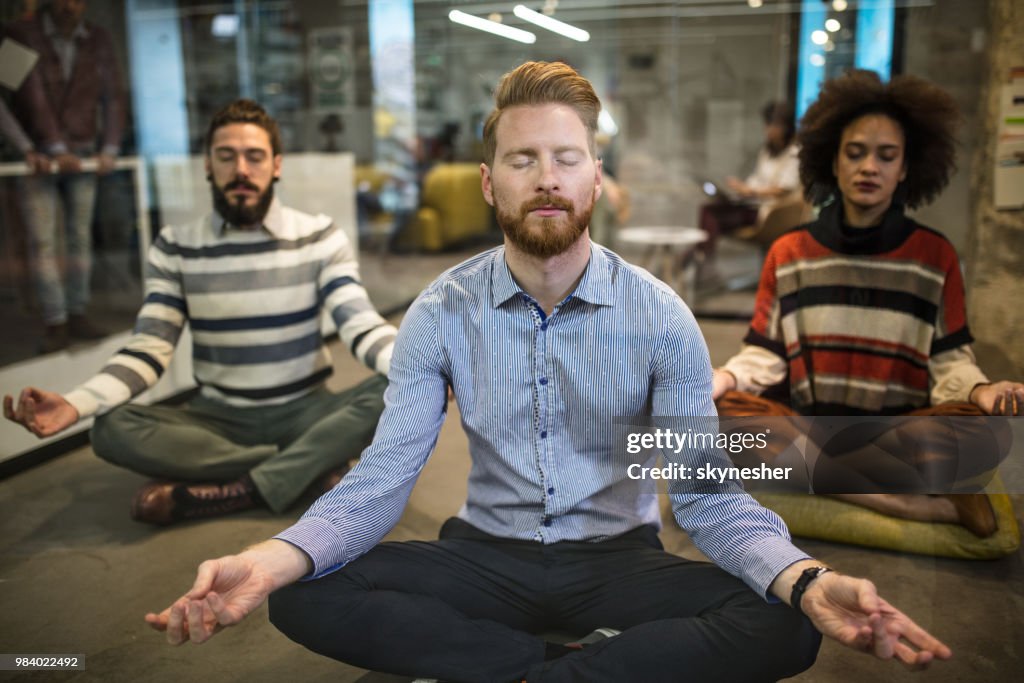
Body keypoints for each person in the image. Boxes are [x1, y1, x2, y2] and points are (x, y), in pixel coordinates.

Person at [144, 62, 951, 682]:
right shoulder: (440, 309)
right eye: (523, 159)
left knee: (788, 622)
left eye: (567, 158)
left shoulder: (660, 314)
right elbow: (381, 479)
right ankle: (579, 667)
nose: (547, 178)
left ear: (597, 177)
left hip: (619, 558)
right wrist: (274, 555)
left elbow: (703, 494)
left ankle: (513, 667)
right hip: (482, 554)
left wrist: (805, 577)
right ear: (492, 183)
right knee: (302, 590)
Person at [4, 99, 396, 526]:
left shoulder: (319, 236)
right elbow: (149, 350)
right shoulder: (176, 247)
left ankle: (240, 488)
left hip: (307, 410)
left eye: (255, 157)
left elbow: (359, 323)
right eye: (226, 157)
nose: (241, 170)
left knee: (395, 389)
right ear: (208, 166)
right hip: (219, 420)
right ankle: (307, 466)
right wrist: (76, 404)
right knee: (109, 428)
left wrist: (420, 365)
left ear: (277, 165)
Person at [712, 70, 1024, 537]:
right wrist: (726, 376)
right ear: (831, 162)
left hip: (894, 435)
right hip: (813, 428)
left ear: (906, 167)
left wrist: (981, 392)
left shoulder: (934, 257)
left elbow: (949, 363)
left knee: (981, 432)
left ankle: (822, 479)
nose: (869, 167)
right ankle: (907, 505)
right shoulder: (789, 253)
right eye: (854, 153)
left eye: (886, 155)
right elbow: (767, 353)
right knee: (720, 416)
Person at [4, 0, 126, 352]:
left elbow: (112, 98)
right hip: (37, 159)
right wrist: (26, 146)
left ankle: (76, 312)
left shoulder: (97, 39)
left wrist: (111, 148)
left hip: (84, 154)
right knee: (43, 242)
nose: (67, 5)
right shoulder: (22, 34)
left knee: (79, 237)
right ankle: (55, 319)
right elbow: (10, 96)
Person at [698, 101, 800, 263]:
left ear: (786, 127)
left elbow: (784, 188)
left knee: (713, 219)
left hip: (772, 213)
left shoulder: (794, 153)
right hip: (752, 204)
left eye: (774, 125)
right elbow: (757, 179)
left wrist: (751, 191)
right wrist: (741, 188)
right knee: (709, 210)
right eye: (768, 124)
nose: (769, 130)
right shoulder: (767, 151)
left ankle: (702, 259)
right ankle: (702, 257)